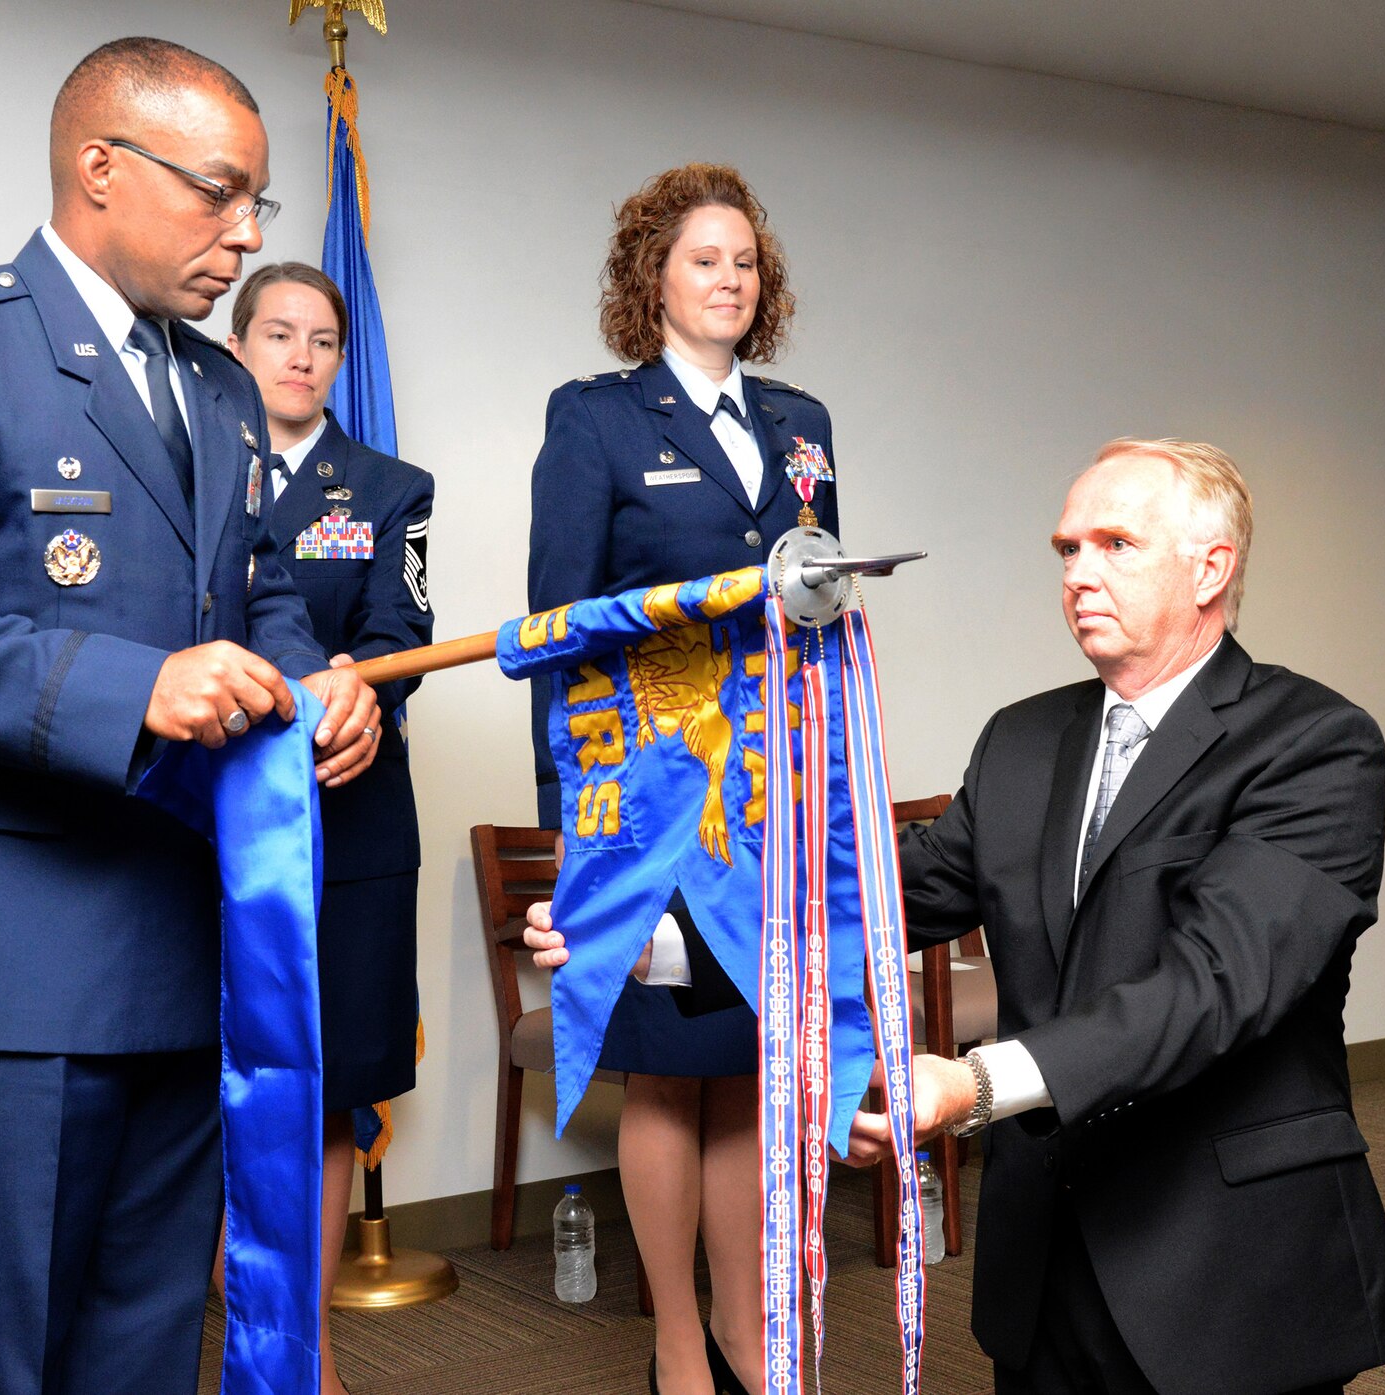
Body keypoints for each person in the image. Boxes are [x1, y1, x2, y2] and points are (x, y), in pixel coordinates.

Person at [533, 438, 1385, 1395]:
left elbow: (1211, 988)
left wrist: (974, 1085)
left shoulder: (1316, 744)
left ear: (1212, 568)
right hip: (1044, 1253)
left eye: (1114, 544)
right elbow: (878, 899)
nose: (1079, 574)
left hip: (1226, 1261)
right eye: (1067, 550)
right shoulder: (1024, 738)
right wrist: (661, 946)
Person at [0, 39, 379, 1395]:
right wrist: (141, 688)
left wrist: (313, 684)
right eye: (220, 194)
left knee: (140, 1347)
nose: (247, 236)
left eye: (260, 206)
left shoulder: (223, 387)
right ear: (99, 168)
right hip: (5, 962)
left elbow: (264, 590)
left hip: (182, 948)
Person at [527, 162, 838, 1395]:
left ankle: (752, 1339)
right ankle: (674, 1344)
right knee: (665, 1066)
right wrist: (578, 840)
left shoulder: (801, 422)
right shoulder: (595, 417)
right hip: (643, 801)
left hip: (770, 800)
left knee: (749, 1067)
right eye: (701, 258)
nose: (726, 278)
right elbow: (556, 627)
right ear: (650, 278)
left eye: (744, 262)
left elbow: (815, 600)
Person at [229, 261, 435, 1395]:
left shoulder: (388, 485)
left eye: (320, 340)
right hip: (213, 821)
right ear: (238, 342)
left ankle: (306, 1354)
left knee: (323, 1091)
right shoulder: (191, 461)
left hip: (352, 818)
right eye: (277, 334)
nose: (299, 357)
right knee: (218, 1071)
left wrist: (355, 692)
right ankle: (220, 1328)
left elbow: (398, 623)